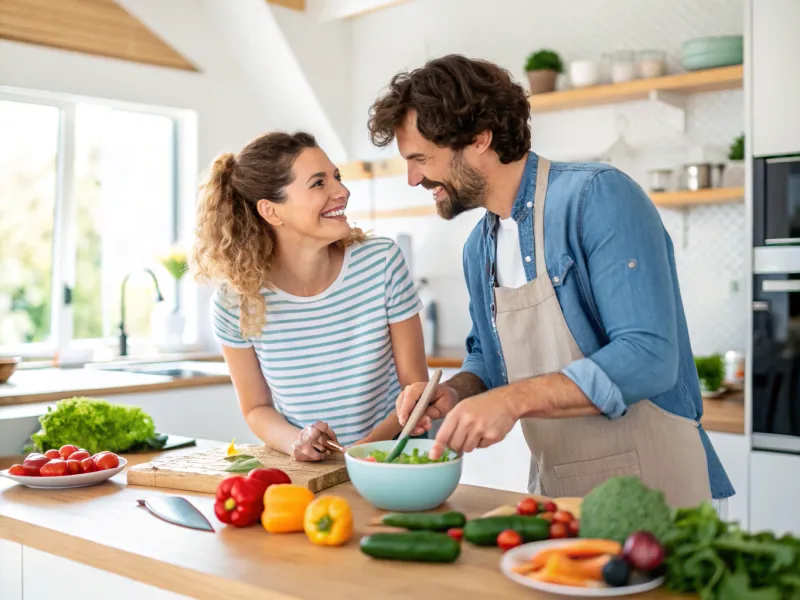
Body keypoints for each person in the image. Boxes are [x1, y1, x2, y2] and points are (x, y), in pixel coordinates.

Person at [367, 54, 733, 509]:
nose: (413, 178)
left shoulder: (596, 196)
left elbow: (649, 356)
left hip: (655, 490)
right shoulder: (478, 248)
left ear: (479, 138)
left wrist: (513, 401)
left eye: (421, 158)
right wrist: (453, 393)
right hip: (558, 491)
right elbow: (490, 358)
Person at [192, 131, 428, 461]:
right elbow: (257, 408)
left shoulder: (381, 263)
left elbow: (416, 389)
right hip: (308, 469)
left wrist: (365, 451)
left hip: (395, 457)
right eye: (319, 183)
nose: (342, 192)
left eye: (337, 177)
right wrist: (297, 441)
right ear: (271, 211)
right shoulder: (236, 301)